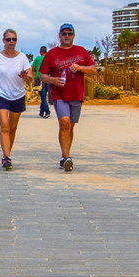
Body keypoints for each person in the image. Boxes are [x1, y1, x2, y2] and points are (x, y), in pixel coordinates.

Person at [41, 23, 95, 171]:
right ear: (59, 35)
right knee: (64, 123)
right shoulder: (52, 54)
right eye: (64, 34)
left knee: (70, 126)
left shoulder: (81, 51)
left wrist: (81, 68)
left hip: (76, 94)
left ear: (73, 35)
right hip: (59, 94)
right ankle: (66, 157)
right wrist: (52, 80)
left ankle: (66, 154)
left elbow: (93, 69)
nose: (66, 36)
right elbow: (42, 75)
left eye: (69, 34)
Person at [0, 28, 34, 169]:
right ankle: (6, 157)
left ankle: (7, 153)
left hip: (18, 95)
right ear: (3, 41)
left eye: (14, 39)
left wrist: (26, 76)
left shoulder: (22, 57)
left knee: (12, 128)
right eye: (8, 39)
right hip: (1, 95)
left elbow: (31, 78)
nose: (11, 42)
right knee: (4, 126)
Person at [32, 45, 50, 118]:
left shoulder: (37, 59)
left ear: (40, 52)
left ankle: (47, 111)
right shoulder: (49, 58)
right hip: (48, 78)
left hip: (39, 78)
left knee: (42, 96)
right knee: (44, 95)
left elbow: (33, 68)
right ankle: (41, 111)